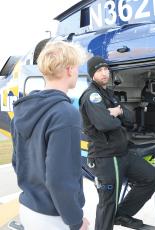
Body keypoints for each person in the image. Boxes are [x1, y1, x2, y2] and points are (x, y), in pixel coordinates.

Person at [11, 41, 89, 230]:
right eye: (77, 68)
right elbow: (60, 179)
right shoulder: (65, 113)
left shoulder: (23, 109)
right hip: (54, 218)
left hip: (28, 209)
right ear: (69, 70)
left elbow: (17, 162)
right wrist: (76, 220)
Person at [79, 56, 155, 230]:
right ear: (92, 75)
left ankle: (122, 214)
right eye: (99, 71)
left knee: (151, 178)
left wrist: (115, 113)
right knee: (108, 203)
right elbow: (105, 124)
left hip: (122, 153)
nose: (104, 73)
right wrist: (114, 115)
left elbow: (131, 118)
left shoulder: (109, 94)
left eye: (106, 69)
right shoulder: (92, 96)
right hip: (106, 157)